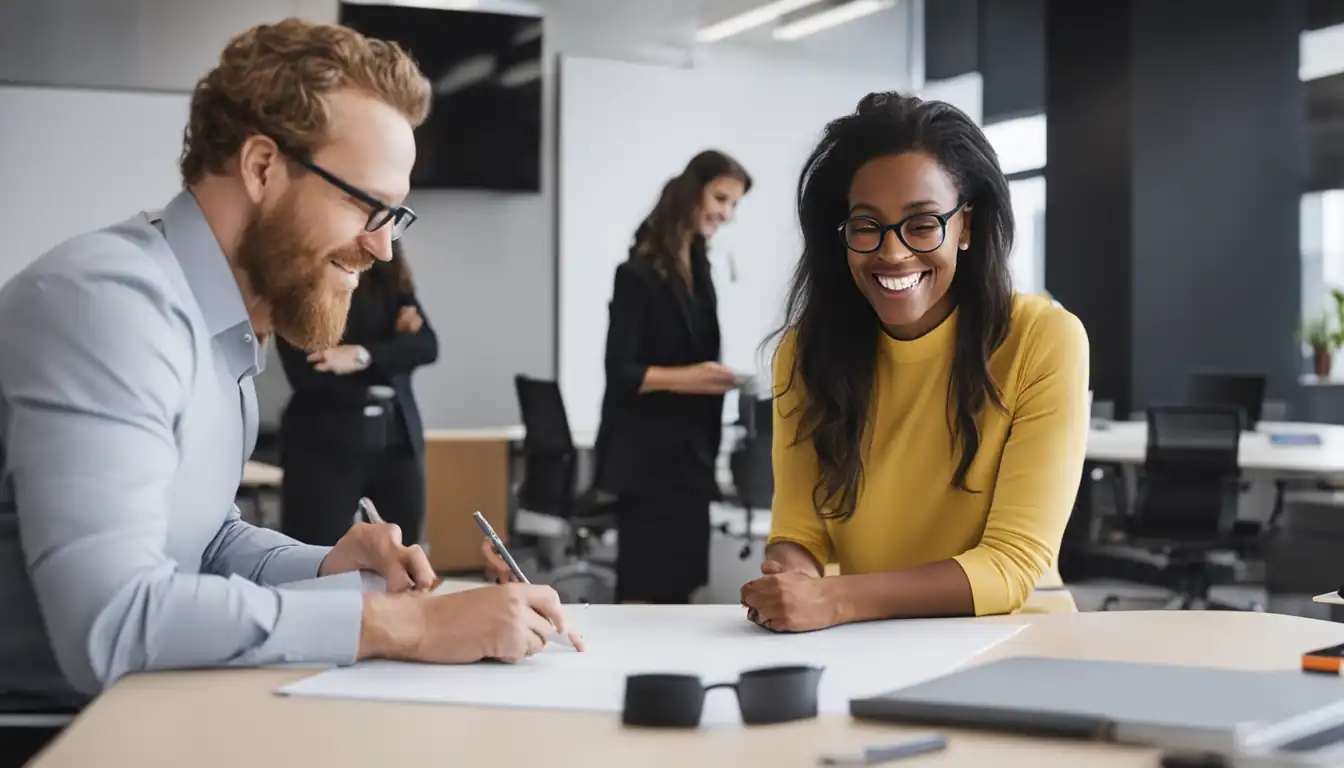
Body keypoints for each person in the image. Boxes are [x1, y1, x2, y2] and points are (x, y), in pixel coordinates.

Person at [0, 18, 581, 732]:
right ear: (262, 166)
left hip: (132, 713)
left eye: (395, 215)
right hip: (46, 732)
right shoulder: (109, 307)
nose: (379, 246)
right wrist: (404, 629)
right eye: (364, 205)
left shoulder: (226, 326)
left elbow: (204, 539)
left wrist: (325, 566)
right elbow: (110, 624)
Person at [740, 92, 1090, 632]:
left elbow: (1012, 565)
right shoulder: (807, 352)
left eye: (922, 224)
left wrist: (833, 601)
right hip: (866, 641)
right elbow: (800, 532)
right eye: (866, 226)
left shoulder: (1043, 339)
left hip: (1015, 640)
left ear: (965, 226)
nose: (894, 252)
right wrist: (791, 581)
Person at [484, 151, 752, 603]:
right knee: (646, 591)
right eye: (721, 198)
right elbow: (623, 373)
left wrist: (716, 379)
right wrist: (696, 376)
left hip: (690, 459)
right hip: (648, 462)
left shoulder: (701, 272)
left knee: (682, 588)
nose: (725, 214)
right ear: (692, 191)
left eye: (733, 205)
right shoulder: (637, 276)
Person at [277, 239, 437, 547]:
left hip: (396, 436)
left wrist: (360, 356)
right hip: (325, 439)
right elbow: (308, 369)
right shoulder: (303, 278)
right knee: (314, 553)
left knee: (405, 552)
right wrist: (394, 349)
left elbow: (427, 346)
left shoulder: (390, 278)